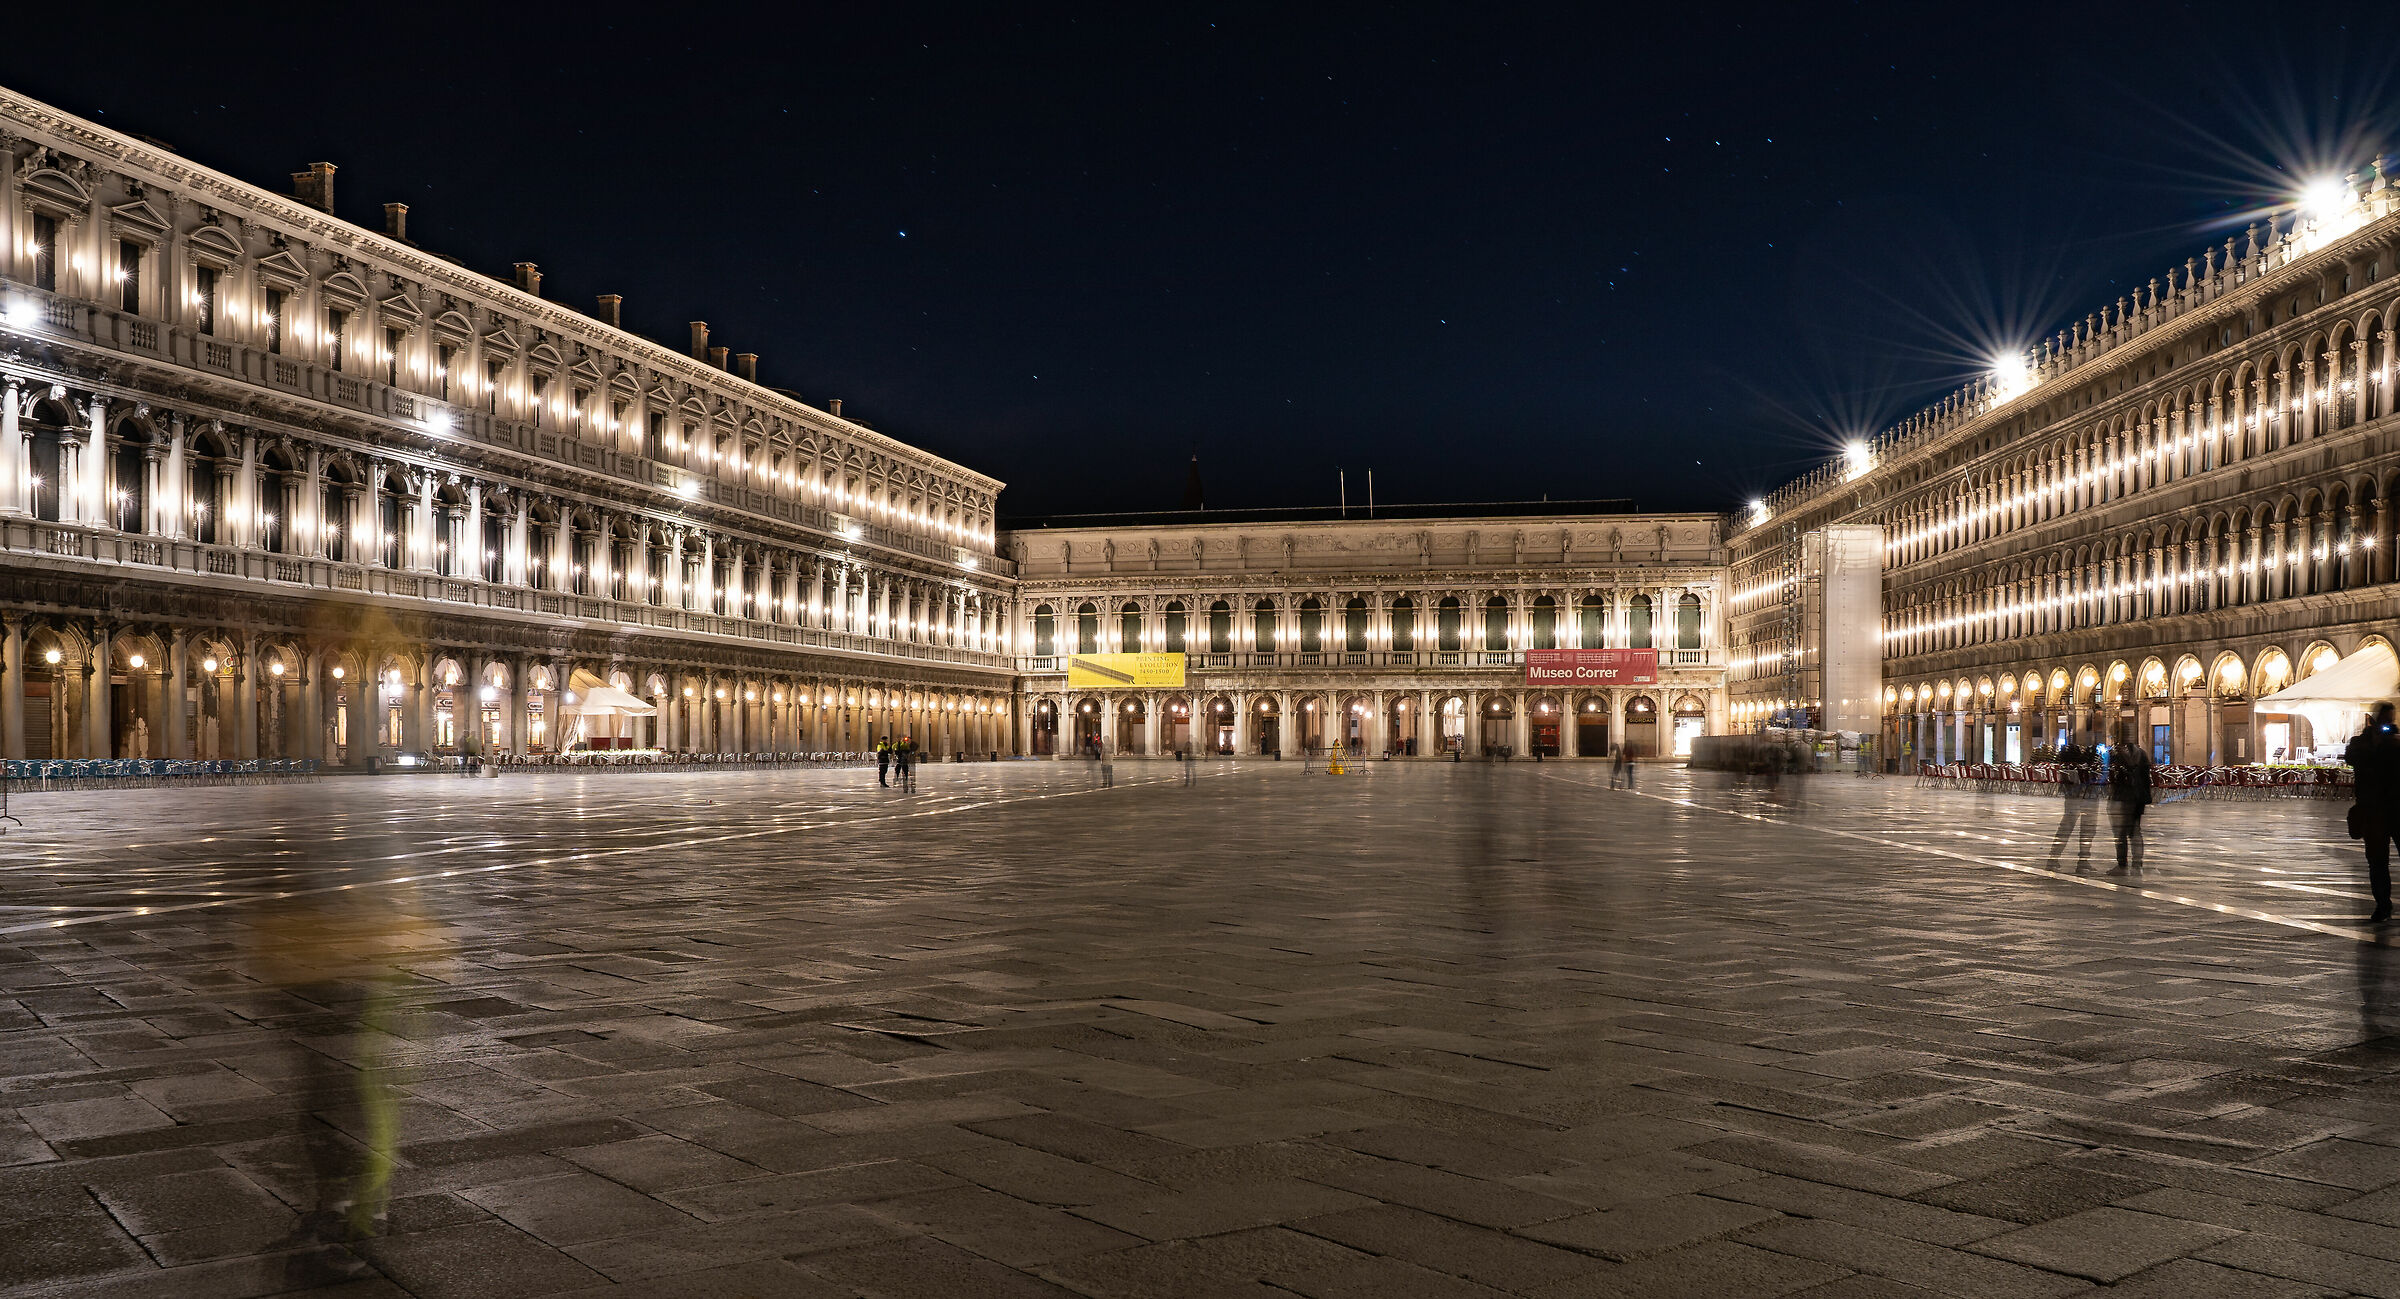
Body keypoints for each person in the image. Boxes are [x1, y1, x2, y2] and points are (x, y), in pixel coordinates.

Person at [2345, 702, 2400, 923]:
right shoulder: (2361, 744)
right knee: (2377, 862)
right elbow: (2351, 758)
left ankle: (2383, 906)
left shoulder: (2396, 746)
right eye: (2385, 720)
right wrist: (2374, 742)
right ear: (2375, 720)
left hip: (2396, 809)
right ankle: (2382, 905)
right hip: (2373, 811)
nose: (2389, 724)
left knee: (2378, 861)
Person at [2046, 740, 2100, 869]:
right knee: (2084, 828)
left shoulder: (2066, 769)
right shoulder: (2078, 769)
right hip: (2087, 798)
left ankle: (2055, 857)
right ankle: (2081, 859)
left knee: (2068, 828)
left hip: (2076, 799)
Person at [2106, 734, 2154, 874]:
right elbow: (2146, 777)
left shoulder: (2119, 755)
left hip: (2125, 798)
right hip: (2138, 798)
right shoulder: (2142, 754)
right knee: (2135, 831)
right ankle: (2137, 865)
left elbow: (2115, 777)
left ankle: (2122, 865)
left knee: (2121, 833)